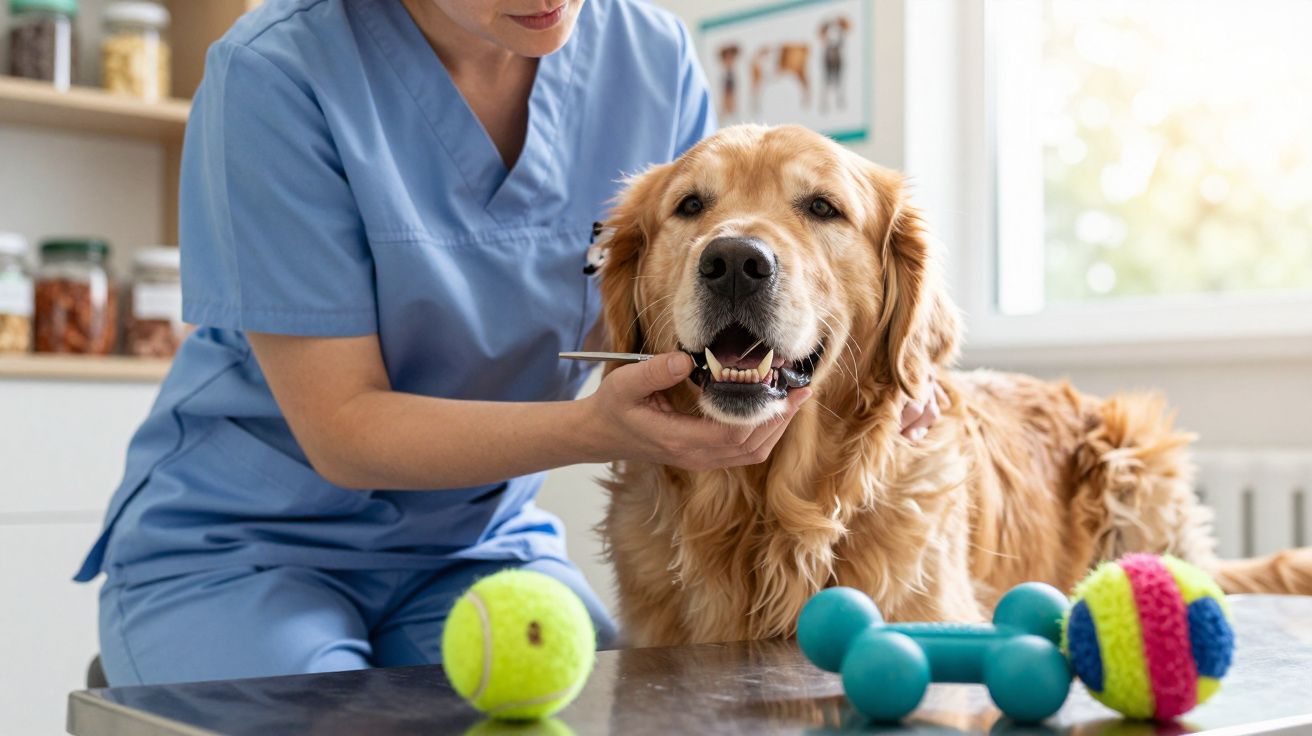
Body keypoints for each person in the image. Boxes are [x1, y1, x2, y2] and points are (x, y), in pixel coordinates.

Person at [74, 0, 939, 686]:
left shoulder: (648, 57)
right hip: (244, 548)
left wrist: (874, 366)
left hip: (476, 543)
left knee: (638, 710)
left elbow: (668, 311)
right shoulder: (273, 72)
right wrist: (600, 429)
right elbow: (341, 429)